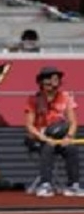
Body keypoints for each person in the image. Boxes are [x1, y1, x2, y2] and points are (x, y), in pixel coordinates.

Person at [24, 66, 83, 197]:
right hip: (39, 138)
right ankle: (45, 184)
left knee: (71, 148)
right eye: (48, 80)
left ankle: (73, 185)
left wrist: (69, 136)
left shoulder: (65, 97)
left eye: (55, 79)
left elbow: (73, 122)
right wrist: (43, 138)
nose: (51, 84)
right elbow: (29, 126)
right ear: (42, 83)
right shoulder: (33, 99)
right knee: (48, 147)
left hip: (60, 136)